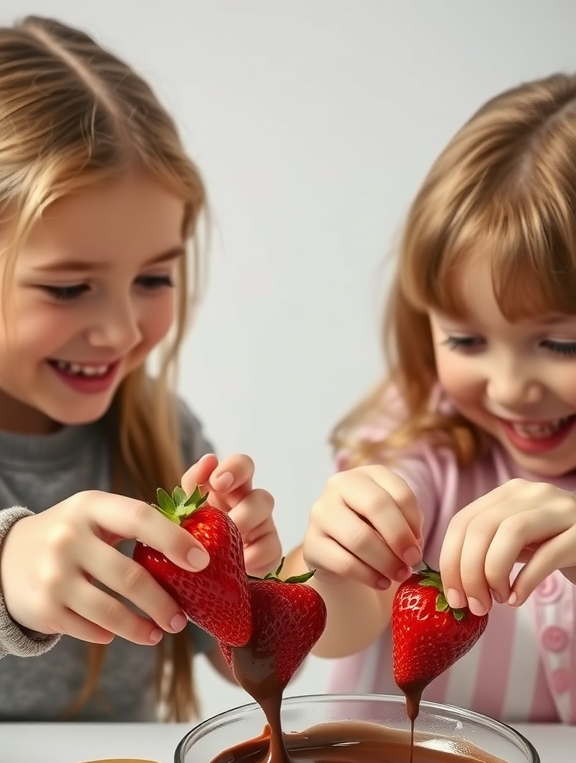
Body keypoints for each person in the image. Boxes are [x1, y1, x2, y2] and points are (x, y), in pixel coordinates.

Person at [0, 16, 281, 722]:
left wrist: (251, 583)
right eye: (67, 288)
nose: (122, 331)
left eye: (153, 279)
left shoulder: (160, 431)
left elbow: (230, 645)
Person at [288, 73, 576, 724]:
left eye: (561, 346)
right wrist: (334, 563)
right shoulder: (417, 437)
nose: (509, 387)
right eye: (467, 339)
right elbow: (339, 624)